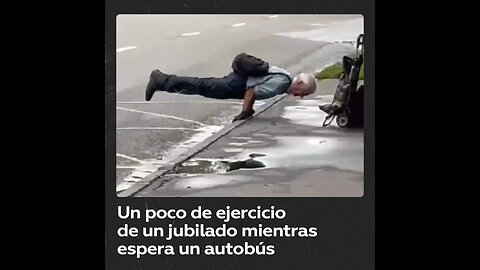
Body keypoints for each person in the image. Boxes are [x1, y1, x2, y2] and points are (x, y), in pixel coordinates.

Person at [145, 65, 317, 121]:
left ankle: (162, 82)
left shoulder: (284, 76)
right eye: (304, 92)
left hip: (236, 81)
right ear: (300, 83)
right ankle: (161, 80)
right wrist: (245, 112)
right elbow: (252, 91)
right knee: (201, 86)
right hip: (236, 85)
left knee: (201, 86)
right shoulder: (283, 83)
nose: (300, 96)